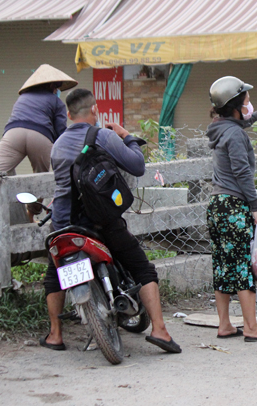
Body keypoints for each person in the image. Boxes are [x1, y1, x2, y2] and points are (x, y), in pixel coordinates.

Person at [41, 89, 181, 354]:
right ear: (94, 110)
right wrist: (126, 136)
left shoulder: (57, 144)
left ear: (69, 115)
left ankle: (55, 334)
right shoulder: (103, 136)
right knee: (142, 268)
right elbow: (137, 166)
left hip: (63, 225)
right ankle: (160, 330)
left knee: (55, 274)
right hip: (100, 223)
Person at [206, 76, 257, 341]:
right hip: (235, 207)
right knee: (242, 267)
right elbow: (242, 173)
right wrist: (255, 207)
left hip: (217, 206)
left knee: (223, 265)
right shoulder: (235, 135)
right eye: (246, 100)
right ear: (235, 105)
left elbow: (239, 124)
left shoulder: (221, 127)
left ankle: (225, 324)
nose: (249, 103)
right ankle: (251, 327)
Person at [0, 64, 78, 222]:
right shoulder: (56, 103)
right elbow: (60, 134)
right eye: (57, 87)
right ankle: (31, 216)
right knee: (40, 179)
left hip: (13, 134)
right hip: (40, 136)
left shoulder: (22, 98)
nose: (57, 90)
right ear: (51, 85)